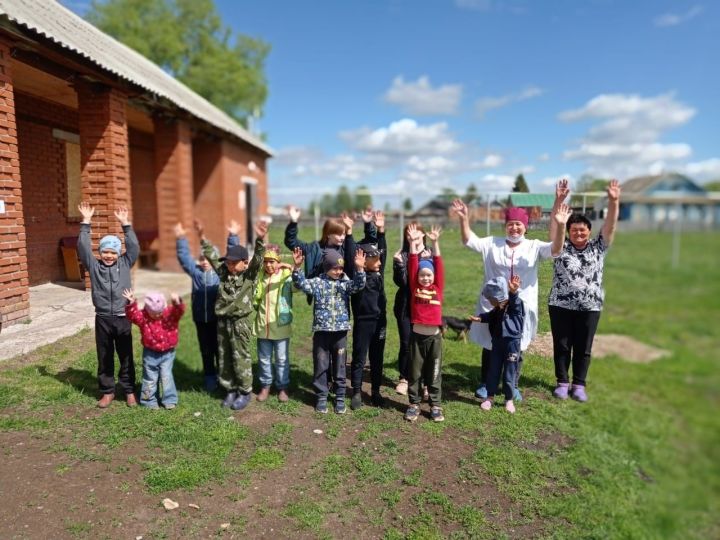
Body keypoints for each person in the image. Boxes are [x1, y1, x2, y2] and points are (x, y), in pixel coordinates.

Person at [452, 198, 562, 402]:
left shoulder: (533, 247)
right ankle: (486, 383)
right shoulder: (493, 243)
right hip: (494, 305)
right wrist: (464, 218)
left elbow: (556, 248)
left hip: (521, 307)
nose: (514, 228)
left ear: (525, 226)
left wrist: (561, 223)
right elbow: (470, 240)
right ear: (506, 226)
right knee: (490, 344)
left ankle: (513, 385)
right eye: (511, 224)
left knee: (516, 345)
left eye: (518, 224)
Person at [548, 180, 621, 402]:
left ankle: (579, 384)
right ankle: (562, 382)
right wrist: (559, 200)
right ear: (568, 232)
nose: (578, 233)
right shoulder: (560, 246)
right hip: (561, 304)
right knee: (562, 345)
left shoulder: (599, 246)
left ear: (589, 231)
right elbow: (554, 225)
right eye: (574, 230)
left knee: (584, 347)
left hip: (590, 306)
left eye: (582, 229)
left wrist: (613, 201)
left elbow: (610, 225)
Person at [76, 202, 139, 408]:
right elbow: (83, 247)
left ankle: (129, 390)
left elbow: (134, 247)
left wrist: (126, 225)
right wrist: (86, 222)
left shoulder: (125, 262)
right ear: (100, 253)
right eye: (106, 252)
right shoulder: (94, 266)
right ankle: (108, 391)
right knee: (104, 355)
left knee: (126, 355)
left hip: (123, 316)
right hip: (103, 317)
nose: (109, 256)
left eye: (113, 252)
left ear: (118, 253)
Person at [201, 220, 268, 411]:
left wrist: (260, 240)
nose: (229, 265)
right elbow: (214, 258)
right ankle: (230, 388)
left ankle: (244, 391)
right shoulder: (223, 273)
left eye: (233, 263)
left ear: (244, 263)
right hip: (223, 322)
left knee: (241, 357)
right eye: (228, 262)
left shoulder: (249, 276)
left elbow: (258, 260)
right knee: (225, 356)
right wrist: (203, 239)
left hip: (240, 323)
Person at [291, 246, 366, 414]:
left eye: (341, 268)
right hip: (322, 333)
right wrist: (297, 268)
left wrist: (360, 269)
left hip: (340, 333)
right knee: (321, 365)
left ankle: (340, 397)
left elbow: (358, 286)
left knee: (340, 366)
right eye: (335, 268)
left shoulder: (344, 283)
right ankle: (321, 396)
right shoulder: (318, 283)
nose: (338, 271)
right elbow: (300, 283)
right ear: (327, 267)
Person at [175, 220, 241, 392]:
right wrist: (181, 238)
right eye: (201, 258)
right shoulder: (196, 273)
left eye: (208, 259)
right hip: (201, 320)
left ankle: (222, 375)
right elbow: (183, 258)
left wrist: (233, 236)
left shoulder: (221, 274)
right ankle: (209, 376)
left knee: (220, 349)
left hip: (218, 320)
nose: (205, 262)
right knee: (205, 349)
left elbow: (232, 254)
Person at [346, 211, 387, 409]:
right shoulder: (357, 277)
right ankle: (356, 392)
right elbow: (349, 252)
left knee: (377, 358)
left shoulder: (379, 274)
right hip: (363, 322)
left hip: (380, 322)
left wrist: (380, 230)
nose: (379, 262)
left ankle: (376, 391)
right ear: (364, 260)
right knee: (360, 358)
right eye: (375, 259)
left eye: (380, 258)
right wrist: (349, 233)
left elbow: (383, 251)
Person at [404, 224, 445, 423]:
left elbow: (438, 262)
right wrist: (412, 243)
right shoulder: (415, 287)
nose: (426, 278)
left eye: (429, 275)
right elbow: (413, 263)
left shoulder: (438, 287)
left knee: (434, 372)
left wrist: (435, 242)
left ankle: (435, 405)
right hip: (417, 337)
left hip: (434, 338)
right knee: (415, 372)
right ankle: (414, 404)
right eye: (422, 275)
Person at [122, 289, 185, 409]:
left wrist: (177, 302)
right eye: (153, 313)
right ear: (147, 309)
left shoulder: (169, 315)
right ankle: (148, 401)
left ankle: (169, 399)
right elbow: (133, 316)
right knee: (149, 378)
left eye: (159, 312)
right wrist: (131, 303)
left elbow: (179, 311)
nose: (157, 315)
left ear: (164, 308)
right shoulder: (144, 317)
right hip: (150, 353)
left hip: (167, 353)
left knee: (166, 376)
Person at [471, 275, 524, 413]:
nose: (489, 302)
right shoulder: (497, 309)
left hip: (512, 344)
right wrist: (480, 318)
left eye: (490, 299)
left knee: (509, 372)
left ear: (497, 297)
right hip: (497, 343)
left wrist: (513, 292)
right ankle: (490, 397)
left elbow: (515, 301)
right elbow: (490, 316)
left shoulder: (514, 306)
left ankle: (509, 399)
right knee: (493, 370)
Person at [392, 222, 432, 397]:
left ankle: (425, 383)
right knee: (406, 343)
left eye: (416, 234)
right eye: (409, 235)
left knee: (425, 345)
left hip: (426, 306)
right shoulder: (401, 255)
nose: (412, 238)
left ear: (423, 235)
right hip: (405, 306)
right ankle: (404, 378)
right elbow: (404, 283)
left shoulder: (430, 255)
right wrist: (400, 266)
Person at [253, 243, 294, 402]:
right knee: (263, 359)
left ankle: (282, 387)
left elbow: (297, 287)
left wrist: (290, 267)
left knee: (282, 359)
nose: (268, 265)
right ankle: (265, 385)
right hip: (264, 326)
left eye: (272, 261)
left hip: (280, 326)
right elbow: (257, 298)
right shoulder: (260, 276)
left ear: (278, 261)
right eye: (266, 261)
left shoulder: (285, 275)